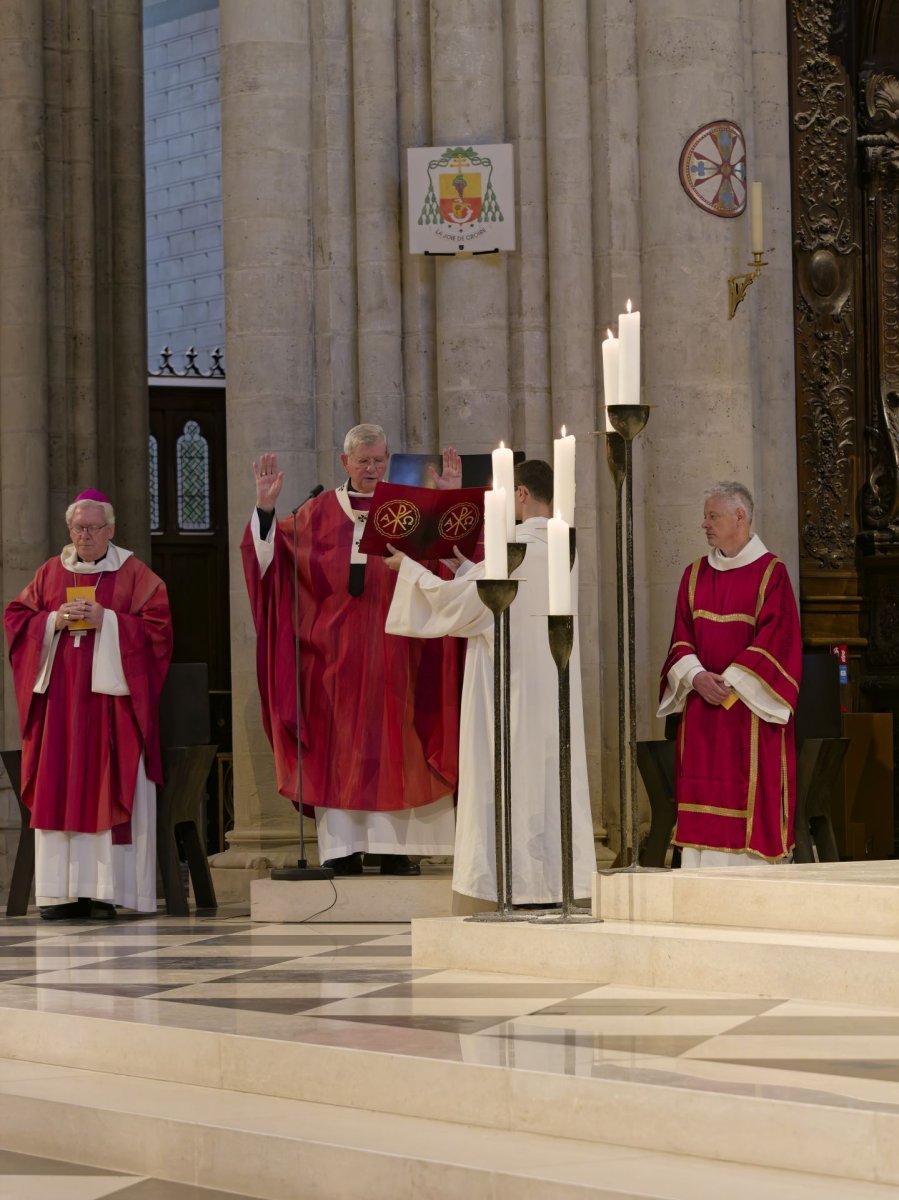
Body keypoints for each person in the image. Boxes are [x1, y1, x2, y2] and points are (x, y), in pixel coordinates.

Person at [243, 424, 462, 876]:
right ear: (345, 462)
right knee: (337, 749)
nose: (372, 468)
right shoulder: (315, 513)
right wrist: (265, 510)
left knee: (400, 744)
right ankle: (342, 849)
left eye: (379, 460)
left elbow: (449, 565)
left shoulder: (409, 510)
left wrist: (447, 504)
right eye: (363, 461)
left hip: (400, 654)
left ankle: (396, 849)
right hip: (330, 660)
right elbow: (270, 563)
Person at [384, 459, 596, 905]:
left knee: (509, 772)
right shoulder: (563, 547)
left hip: (510, 686)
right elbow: (492, 597)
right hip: (550, 680)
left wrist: (407, 567)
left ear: (520, 494)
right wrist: (465, 569)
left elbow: (462, 607)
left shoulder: (514, 548)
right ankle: (553, 882)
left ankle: (512, 883)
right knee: (545, 778)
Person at [5, 490, 172, 919]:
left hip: (109, 710)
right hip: (59, 710)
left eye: (93, 528)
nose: (84, 535)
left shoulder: (135, 574)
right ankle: (59, 894)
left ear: (110, 530)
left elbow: (158, 631)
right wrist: (51, 622)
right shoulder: (48, 573)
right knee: (57, 787)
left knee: (105, 785)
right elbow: (16, 618)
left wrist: (109, 622)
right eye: (78, 528)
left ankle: (104, 891)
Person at [657, 482, 802, 866]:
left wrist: (730, 683)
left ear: (740, 516)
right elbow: (680, 640)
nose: (704, 524)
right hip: (703, 714)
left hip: (750, 715)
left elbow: (780, 642)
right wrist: (697, 677)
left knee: (748, 796)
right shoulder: (693, 576)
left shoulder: (772, 574)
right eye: (706, 516)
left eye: (712, 516)